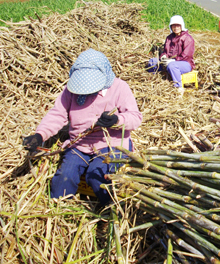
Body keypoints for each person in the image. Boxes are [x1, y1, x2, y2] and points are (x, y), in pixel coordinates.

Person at [23, 48, 143, 206]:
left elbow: (136, 118)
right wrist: (40, 135)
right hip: (79, 144)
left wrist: (116, 120)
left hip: (110, 145)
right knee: (64, 179)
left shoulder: (119, 88)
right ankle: (60, 213)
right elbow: (57, 114)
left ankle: (111, 212)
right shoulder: (71, 91)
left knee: (97, 176)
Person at [147, 15, 195, 92]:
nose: (176, 28)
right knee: (152, 61)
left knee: (172, 65)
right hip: (169, 62)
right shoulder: (169, 38)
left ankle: (178, 88)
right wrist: (163, 56)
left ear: (181, 26)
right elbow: (166, 51)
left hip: (185, 63)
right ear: (171, 27)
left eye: (178, 25)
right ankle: (153, 82)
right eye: (173, 26)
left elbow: (187, 55)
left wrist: (174, 60)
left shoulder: (187, 38)